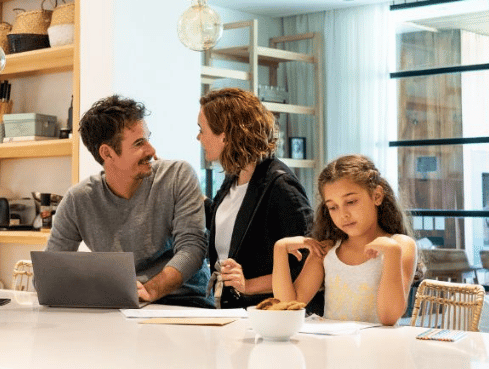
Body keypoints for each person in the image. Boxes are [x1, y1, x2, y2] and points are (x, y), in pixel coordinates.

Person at [45, 95, 212, 308]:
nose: (151, 151)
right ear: (107, 153)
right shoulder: (78, 200)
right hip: (120, 306)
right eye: (139, 143)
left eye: (148, 139)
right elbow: (50, 272)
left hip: (185, 302)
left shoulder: (177, 175)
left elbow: (192, 248)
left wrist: (150, 290)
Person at [198, 88, 313, 309]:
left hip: (265, 315)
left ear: (225, 135)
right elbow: (233, 229)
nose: (198, 137)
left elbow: (307, 262)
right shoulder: (234, 177)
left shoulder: (280, 185)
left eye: (201, 129)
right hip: (231, 310)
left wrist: (248, 285)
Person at [272, 154, 417, 326]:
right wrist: (280, 249)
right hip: (333, 349)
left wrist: (392, 252)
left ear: (377, 196)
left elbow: (388, 317)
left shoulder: (400, 245)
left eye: (351, 201)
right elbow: (287, 308)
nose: (343, 215)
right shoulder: (327, 251)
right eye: (333, 207)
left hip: (378, 350)